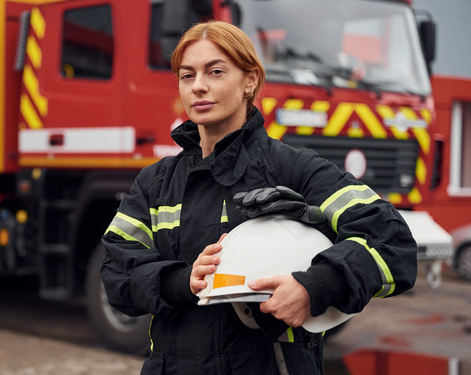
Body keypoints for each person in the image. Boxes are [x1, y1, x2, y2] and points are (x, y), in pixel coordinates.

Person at [101, 21, 417, 375]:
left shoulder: (295, 169)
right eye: (187, 75)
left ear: (250, 81)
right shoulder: (155, 183)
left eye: (215, 71)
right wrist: (182, 281)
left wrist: (313, 287)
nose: (199, 86)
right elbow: (116, 274)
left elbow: (393, 244)